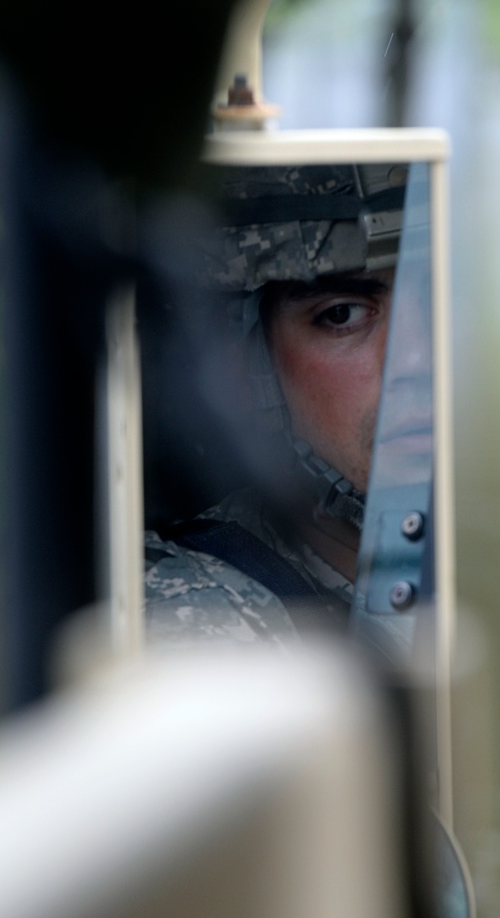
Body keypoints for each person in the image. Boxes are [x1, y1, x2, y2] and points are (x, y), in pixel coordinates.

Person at [144, 162, 411, 645]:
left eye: (443, 302)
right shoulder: (196, 618)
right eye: (342, 315)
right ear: (244, 364)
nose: (416, 359)